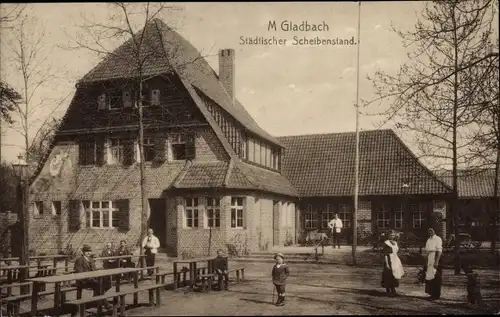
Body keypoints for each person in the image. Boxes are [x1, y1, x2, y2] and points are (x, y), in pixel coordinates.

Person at [74, 245, 112, 309]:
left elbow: (95, 270)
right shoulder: (79, 260)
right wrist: (91, 278)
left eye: (90, 251)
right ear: (83, 252)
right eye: (86, 251)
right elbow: (80, 273)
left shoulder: (91, 260)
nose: (88, 253)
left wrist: (96, 277)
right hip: (83, 281)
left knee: (107, 281)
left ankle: (98, 296)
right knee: (98, 285)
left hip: (91, 279)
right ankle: (106, 304)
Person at [381, 231, 404, 296]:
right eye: (391, 235)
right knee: (389, 274)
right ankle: (389, 290)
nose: (392, 236)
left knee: (395, 274)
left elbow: (396, 251)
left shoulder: (395, 243)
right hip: (389, 259)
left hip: (395, 259)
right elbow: (385, 254)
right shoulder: (386, 243)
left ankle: (393, 290)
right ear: (388, 235)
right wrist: (387, 264)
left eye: (393, 235)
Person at [423, 227, 443, 300]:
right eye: (429, 230)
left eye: (431, 230)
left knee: (436, 277)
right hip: (430, 258)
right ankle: (432, 294)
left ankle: (436, 295)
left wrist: (436, 262)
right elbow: (427, 252)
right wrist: (425, 262)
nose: (430, 231)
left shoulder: (437, 239)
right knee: (430, 276)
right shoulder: (428, 240)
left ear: (434, 231)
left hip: (436, 257)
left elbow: (439, 250)